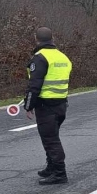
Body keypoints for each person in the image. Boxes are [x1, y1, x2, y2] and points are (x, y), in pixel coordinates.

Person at [24, 27, 72, 184]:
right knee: (51, 137)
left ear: (36, 39)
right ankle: (51, 167)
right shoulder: (62, 57)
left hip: (46, 105)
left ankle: (59, 173)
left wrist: (28, 105)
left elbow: (34, 85)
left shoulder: (40, 58)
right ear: (52, 39)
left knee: (50, 140)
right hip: (61, 104)